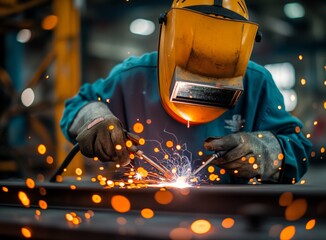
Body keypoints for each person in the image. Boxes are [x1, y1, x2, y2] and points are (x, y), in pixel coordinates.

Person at [60, 0, 312, 184]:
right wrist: (96, 118)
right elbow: (76, 107)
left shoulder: (257, 83)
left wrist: (265, 151)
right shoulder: (133, 76)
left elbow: (299, 150)